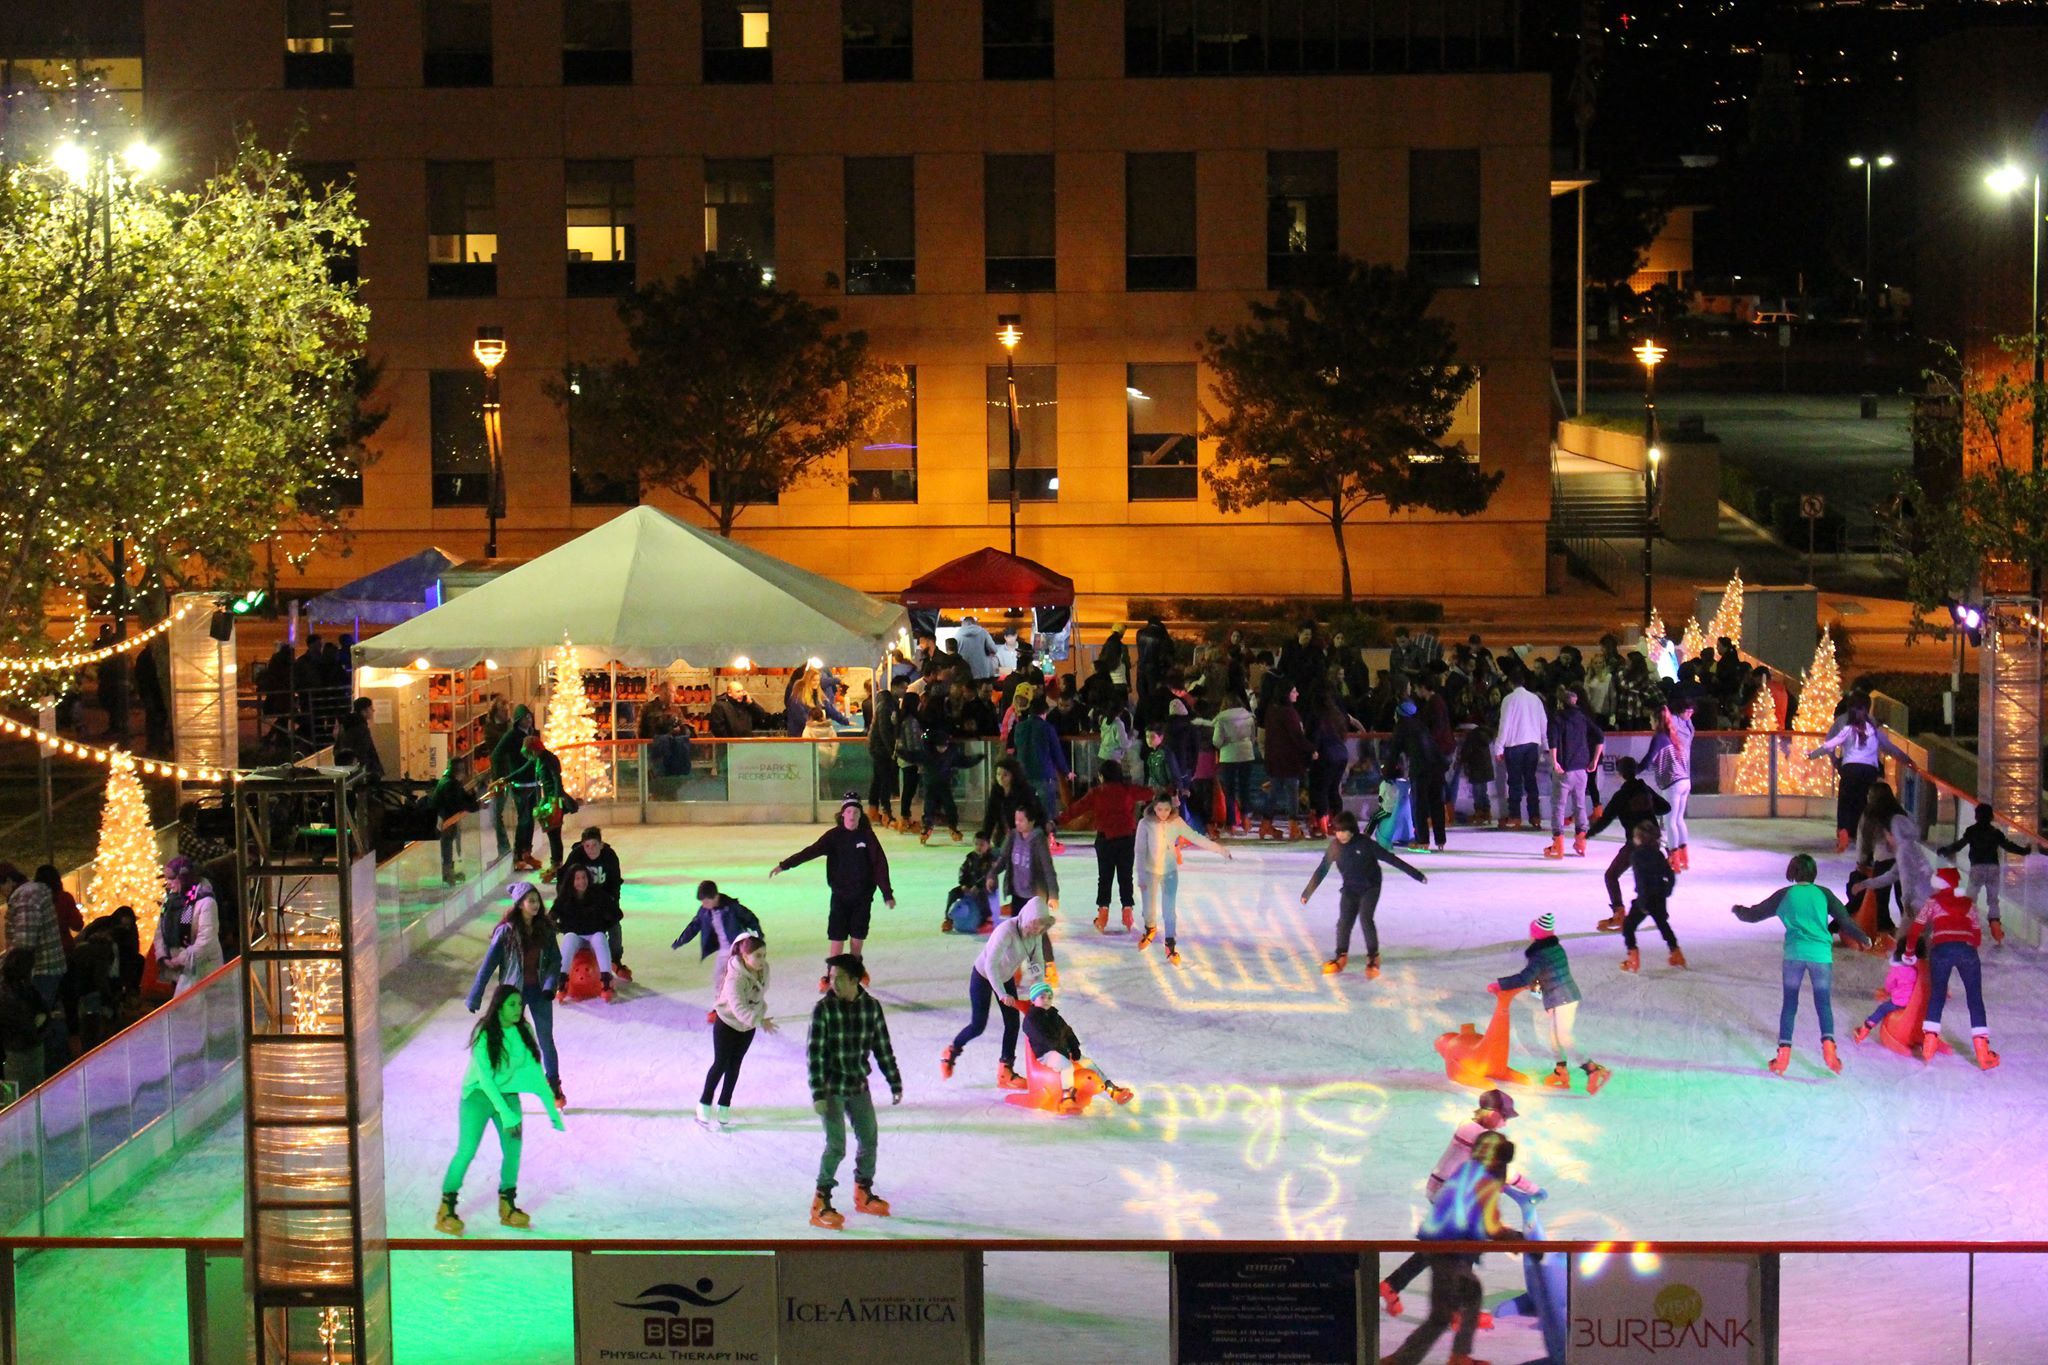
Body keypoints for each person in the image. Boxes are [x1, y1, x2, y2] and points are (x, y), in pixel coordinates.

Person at [1377, 1089, 1541, 1319]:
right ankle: (1459, 1310)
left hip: (1447, 1192)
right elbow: (1503, 1170)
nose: (1504, 1123)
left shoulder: (1471, 1126)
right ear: (1492, 1112)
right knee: (1467, 1247)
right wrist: (1533, 1189)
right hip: (1451, 1196)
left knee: (1441, 1248)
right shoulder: (1477, 1133)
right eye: (1503, 1116)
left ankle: (1393, 1285)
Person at [1380, 1130, 1526, 1365]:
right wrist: (1518, 1239)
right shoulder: (1485, 1181)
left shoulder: (1465, 1171)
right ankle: (1401, 1361)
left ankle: (1458, 1356)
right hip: (1449, 1251)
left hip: (1441, 1246)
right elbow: (1491, 1226)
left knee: (1471, 1294)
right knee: (1441, 1317)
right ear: (1498, 1159)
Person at [434, 984, 564, 1235]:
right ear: (500, 1007)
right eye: (512, 1005)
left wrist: (551, 1110)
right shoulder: (485, 1033)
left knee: (513, 1151)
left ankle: (507, 1205)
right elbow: (486, 1079)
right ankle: (446, 1208)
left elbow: (536, 1074)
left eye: (519, 1004)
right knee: (467, 1150)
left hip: (507, 1095)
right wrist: (505, 1112)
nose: (518, 1009)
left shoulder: (524, 1030)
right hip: (478, 1098)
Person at [1732, 853, 1871, 1075]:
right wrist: (1864, 938)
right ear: (1813, 872)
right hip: (1820, 956)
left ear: (1793, 872)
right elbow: (1845, 921)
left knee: (1790, 1004)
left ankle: (1782, 1058)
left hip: (1795, 955)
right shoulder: (1824, 894)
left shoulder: (1786, 895)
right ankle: (1829, 1051)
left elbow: (1754, 914)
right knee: (1823, 1003)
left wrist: (1738, 910)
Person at [806, 953, 902, 1230]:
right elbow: (815, 1055)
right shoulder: (823, 1010)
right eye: (830, 977)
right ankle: (820, 1201)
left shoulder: (871, 1008)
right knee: (836, 1146)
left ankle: (863, 1191)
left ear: (854, 980)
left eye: (837, 978)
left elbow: (882, 1047)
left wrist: (894, 1081)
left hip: (858, 1084)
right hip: (831, 1087)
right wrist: (818, 1093)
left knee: (869, 1138)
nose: (831, 983)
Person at [771, 795, 896, 987]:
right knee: (837, 937)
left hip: (862, 897)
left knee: (857, 937)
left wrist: (887, 893)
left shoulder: (867, 836)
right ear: (842, 814)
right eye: (849, 812)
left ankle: (856, 971)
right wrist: (785, 865)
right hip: (840, 896)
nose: (852, 815)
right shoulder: (834, 836)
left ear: (860, 815)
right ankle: (831, 974)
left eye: (856, 812)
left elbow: (880, 864)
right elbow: (810, 851)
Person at [466, 882, 565, 1106]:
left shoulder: (545, 930)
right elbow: (488, 965)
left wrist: (550, 983)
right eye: (530, 901)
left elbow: (555, 960)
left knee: (545, 1039)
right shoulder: (506, 932)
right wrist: (475, 994)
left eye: (537, 900)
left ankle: (554, 1085)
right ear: (519, 904)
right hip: (513, 995)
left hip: (539, 992)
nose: (536, 905)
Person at [1492, 912, 1611, 1093]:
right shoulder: (1554, 948)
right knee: (1555, 1039)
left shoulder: (1540, 955)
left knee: (1564, 1037)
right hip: (1561, 997)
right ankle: (1560, 1072)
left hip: (1564, 999)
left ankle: (1593, 1069)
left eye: (1532, 932)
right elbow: (1542, 977)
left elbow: (1526, 977)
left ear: (1537, 935)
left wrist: (1500, 984)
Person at [942, 896, 1053, 1089]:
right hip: (983, 976)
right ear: (1026, 918)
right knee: (978, 1025)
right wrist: (1002, 994)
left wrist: (1039, 990)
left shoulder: (1036, 936)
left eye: (1040, 927)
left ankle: (1005, 1072)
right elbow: (990, 965)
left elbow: (1036, 964)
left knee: (1012, 1023)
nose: (1036, 930)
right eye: (1034, 925)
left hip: (1005, 976)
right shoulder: (1006, 931)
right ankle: (952, 1051)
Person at [1300, 811, 1425, 978]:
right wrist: (1307, 892)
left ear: (1352, 830)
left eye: (1344, 831)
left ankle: (1373, 957)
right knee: (1344, 922)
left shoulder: (1365, 844)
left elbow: (1391, 859)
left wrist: (1417, 875)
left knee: (1365, 918)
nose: (1340, 835)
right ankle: (1341, 956)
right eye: (1337, 831)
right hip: (1350, 888)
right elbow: (1322, 869)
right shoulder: (1335, 847)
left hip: (1370, 887)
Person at [1898, 867, 1999, 1068]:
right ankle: (1982, 1051)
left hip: (1941, 951)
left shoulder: (1933, 902)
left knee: (1937, 995)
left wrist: (1909, 953)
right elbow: (1977, 936)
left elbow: (1915, 929)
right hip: (1967, 951)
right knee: (1975, 998)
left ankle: (1928, 1046)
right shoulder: (1969, 904)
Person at [1134, 789, 1231, 965]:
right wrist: (1140, 876)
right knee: (1148, 908)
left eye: (1166, 810)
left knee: (1169, 910)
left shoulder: (1176, 822)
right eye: (1159, 809)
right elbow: (1140, 851)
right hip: (1149, 872)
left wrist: (1220, 849)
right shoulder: (1145, 823)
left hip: (1169, 872)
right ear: (1153, 808)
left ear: (1171, 809)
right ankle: (1150, 929)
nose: (1163, 813)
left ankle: (1170, 945)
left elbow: (1195, 837)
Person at [1060, 759, 1151, 934]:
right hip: (1126, 839)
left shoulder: (1097, 792)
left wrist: (1058, 820)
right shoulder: (1127, 790)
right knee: (1125, 876)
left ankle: (1103, 915)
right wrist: (1169, 790)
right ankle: (1127, 913)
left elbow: (1077, 809)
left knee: (1105, 877)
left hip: (1105, 840)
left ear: (1102, 776)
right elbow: (1148, 793)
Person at [1808, 696, 1905, 854]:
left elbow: (1829, 744)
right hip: (1869, 770)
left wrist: (1814, 754)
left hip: (1850, 768)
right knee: (1863, 803)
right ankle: (1860, 834)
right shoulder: (1872, 726)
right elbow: (1888, 747)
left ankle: (1844, 831)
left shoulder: (1845, 725)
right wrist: (1907, 760)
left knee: (1846, 802)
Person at [700, 930, 777, 1128]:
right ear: (744, 956)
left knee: (735, 1065)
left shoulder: (764, 970)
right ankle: (705, 1102)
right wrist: (759, 1021)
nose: (762, 960)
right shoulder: (734, 978)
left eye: (764, 955)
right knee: (721, 1064)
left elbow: (758, 996)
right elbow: (738, 1008)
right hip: (727, 1024)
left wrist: (758, 1014)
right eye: (758, 956)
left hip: (747, 1027)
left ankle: (724, 1105)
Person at [1019, 982, 1134, 1112]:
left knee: (1088, 1062)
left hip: (1062, 1050)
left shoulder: (1053, 1014)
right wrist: (1062, 1050)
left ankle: (1112, 1089)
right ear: (1033, 1000)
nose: (1047, 1000)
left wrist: (1074, 1048)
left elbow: (1067, 1031)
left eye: (1049, 997)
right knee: (1066, 1066)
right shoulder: (1031, 1020)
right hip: (1046, 1054)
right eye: (1042, 997)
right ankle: (1067, 1098)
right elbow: (1044, 1039)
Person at [1937, 802, 2037, 946]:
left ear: (1977, 816)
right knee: (1993, 900)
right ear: (1991, 817)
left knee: (1970, 899)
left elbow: (1959, 845)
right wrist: (2024, 851)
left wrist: (1945, 851)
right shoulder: (1995, 833)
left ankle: (1968, 926)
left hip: (1977, 868)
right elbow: (2008, 846)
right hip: (1993, 868)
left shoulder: (1971, 831)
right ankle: (1996, 930)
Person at [1590, 757, 1670, 932]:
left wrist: (1589, 833)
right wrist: (1647, 809)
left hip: (1637, 843)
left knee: (1611, 875)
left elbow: (1606, 818)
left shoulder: (1622, 795)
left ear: (1620, 774)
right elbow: (1665, 807)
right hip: (1654, 840)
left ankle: (1620, 914)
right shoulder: (1644, 788)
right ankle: (1659, 911)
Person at [1544, 684, 1605, 859]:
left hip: (1565, 770)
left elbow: (1553, 740)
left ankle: (1558, 844)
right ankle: (1581, 842)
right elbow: (1600, 735)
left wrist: (1555, 761)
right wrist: (1594, 759)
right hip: (1581, 770)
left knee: (1558, 806)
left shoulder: (1557, 718)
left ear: (1561, 703)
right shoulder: (1582, 717)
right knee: (1579, 806)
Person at [561, 826, 629, 981]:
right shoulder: (576, 856)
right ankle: (567, 966)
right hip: (580, 903)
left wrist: (613, 905)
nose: (590, 850)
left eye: (594, 845)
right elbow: (564, 880)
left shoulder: (610, 856)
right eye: (587, 846)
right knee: (570, 930)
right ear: (582, 845)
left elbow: (615, 883)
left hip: (603, 902)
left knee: (615, 927)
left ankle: (615, 960)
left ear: (601, 844)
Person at [671, 879, 765, 988]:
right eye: (702, 902)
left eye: (706, 902)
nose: (704, 905)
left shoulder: (732, 908)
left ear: (715, 897)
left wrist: (758, 936)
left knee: (737, 978)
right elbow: (694, 926)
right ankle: (721, 1002)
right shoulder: (705, 911)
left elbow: (751, 919)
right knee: (719, 978)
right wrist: (680, 941)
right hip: (724, 951)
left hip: (738, 949)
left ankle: (744, 997)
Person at [1619, 819, 1683, 971]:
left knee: (1628, 926)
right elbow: (1670, 874)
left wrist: (1642, 902)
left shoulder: (1636, 856)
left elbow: (1641, 880)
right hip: (1659, 896)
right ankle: (1676, 952)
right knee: (1663, 925)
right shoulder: (1658, 854)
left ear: (1640, 838)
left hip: (1645, 898)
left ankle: (1632, 957)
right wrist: (1667, 890)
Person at [155, 857, 222, 1000]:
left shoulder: (205, 902)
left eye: (172, 878)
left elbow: (206, 939)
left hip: (202, 971)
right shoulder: (169, 901)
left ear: (183, 878)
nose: (168, 883)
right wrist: (163, 957)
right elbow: (160, 931)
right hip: (176, 972)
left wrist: (181, 960)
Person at [552, 864, 619, 1004]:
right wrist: (559, 927)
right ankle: (562, 980)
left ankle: (606, 981)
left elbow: (617, 914)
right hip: (576, 936)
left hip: (593, 935)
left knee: (600, 937)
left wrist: (604, 925)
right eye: (577, 878)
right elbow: (551, 916)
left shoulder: (598, 895)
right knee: (569, 938)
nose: (581, 881)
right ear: (571, 880)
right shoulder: (565, 898)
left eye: (584, 878)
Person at [1492, 667, 1549, 830]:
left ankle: (1515, 816)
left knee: (1515, 781)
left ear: (1510, 683)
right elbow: (1543, 722)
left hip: (1514, 745)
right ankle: (1535, 816)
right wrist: (1545, 744)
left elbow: (1504, 725)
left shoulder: (1508, 700)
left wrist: (1498, 747)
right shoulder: (1535, 699)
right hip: (1532, 744)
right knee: (1531, 780)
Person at [1648, 695, 1696, 870]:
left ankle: (1674, 858)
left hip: (1674, 781)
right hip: (1683, 778)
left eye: (1692, 711)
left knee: (1671, 822)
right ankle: (1683, 857)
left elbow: (1648, 760)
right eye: (1687, 711)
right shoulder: (1677, 730)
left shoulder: (1666, 734)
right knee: (1678, 820)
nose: (1690, 714)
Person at [1260, 683, 1313, 839]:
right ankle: (1293, 827)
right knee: (1292, 792)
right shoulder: (1289, 713)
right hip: (1289, 759)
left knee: (1275, 792)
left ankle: (1266, 824)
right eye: (1294, 691)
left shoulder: (1272, 711)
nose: (1297, 693)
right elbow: (1297, 736)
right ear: (1286, 694)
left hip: (1275, 758)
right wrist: (1311, 749)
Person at [488, 704, 539, 866]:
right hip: (520, 784)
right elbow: (496, 754)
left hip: (534, 782)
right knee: (524, 819)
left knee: (530, 819)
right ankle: (518, 854)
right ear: (518, 720)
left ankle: (526, 853)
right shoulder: (511, 736)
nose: (529, 720)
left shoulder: (532, 733)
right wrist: (501, 776)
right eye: (526, 718)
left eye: (530, 717)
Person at [0, 948, 51, 1094]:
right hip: (21, 1051)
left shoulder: (13, 990)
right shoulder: (18, 994)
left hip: (17, 1050)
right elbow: (30, 1023)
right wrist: (39, 1025)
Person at [1852, 939, 1919, 1047]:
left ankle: (1865, 1028)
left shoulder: (1897, 969)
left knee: (1882, 1009)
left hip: (1898, 1002)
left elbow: (1889, 985)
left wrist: (1887, 991)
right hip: (1914, 1004)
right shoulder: (1918, 970)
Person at [432, 755, 482, 886]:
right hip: (446, 821)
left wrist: (473, 798)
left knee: (448, 844)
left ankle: (449, 871)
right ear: (459, 771)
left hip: (447, 820)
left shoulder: (449, 781)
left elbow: (462, 798)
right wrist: (476, 805)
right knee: (447, 844)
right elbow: (459, 804)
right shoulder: (450, 784)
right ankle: (447, 872)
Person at [1211, 694, 1257, 834]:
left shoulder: (1221, 719)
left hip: (1228, 756)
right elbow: (1252, 737)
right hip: (1246, 754)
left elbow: (1216, 741)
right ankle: (1246, 820)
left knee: (1229, 790)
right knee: (1245, 788)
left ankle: (1231, 823)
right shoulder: (1249, 717)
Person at [945, 832, 1002, 934]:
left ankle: (987, 919)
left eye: (982, 845)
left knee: (980, 894)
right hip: (970, 886)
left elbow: (988, 875)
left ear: (988, 845)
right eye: (976, 844)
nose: (978, 847)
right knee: (953, 892)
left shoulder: (990, 859)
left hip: (986, 887)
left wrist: (977, 886)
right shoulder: (971, 857)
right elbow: (963, 870)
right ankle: (948, 918)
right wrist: (963, 884)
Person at [334, 696, 385, 780]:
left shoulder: (346, 725)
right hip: (364, 771)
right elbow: (364, 751)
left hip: (348, 769)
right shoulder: (361, 728)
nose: (373, 710)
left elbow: (337, 747)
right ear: (364, 711)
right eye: (371, 708)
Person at [708, 679, 776, 737]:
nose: (741, 694)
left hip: (746, 743)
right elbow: (718, 729)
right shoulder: (720, 706)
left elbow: (762, 716)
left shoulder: (746, 704)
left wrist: (751, 703)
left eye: (742, 691)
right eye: (738, 692)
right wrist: (730, 742)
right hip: (729, 745)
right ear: (729, 693)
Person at [952, 615, 1000, 680]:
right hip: (982, 673)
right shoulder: (983, 632)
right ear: (974, 623)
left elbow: (953, 653)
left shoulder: (957, 635)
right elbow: (994, 649)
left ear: (963, 624)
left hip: (965, 673)